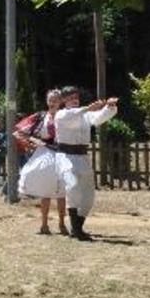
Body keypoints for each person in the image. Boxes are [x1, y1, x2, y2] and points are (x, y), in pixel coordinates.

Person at [55, 86, 118, 241]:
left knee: (88, 196)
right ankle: (76, 231)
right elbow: (72, 115)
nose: (74, 99)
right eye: (70, 97)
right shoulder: (61, 114)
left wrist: (110, 107)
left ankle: (78, 228)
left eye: (76, 96)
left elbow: (98, 117)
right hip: (65, 157)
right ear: (64, 100)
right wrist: (87, 108)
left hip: (82, 156)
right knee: (73, 187)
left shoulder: (85, 115)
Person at [14, 89, 69, 235]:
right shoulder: (41, 116)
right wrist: (33, 141)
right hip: (44, 155)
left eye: (55, 100)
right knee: (46, 192)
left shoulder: (66, 116)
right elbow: (19, 131)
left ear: (61, 101)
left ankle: (62, 224)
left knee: (61, 192)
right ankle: (44, 225)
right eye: (50, 100)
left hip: (62, 154)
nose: (52, 103)